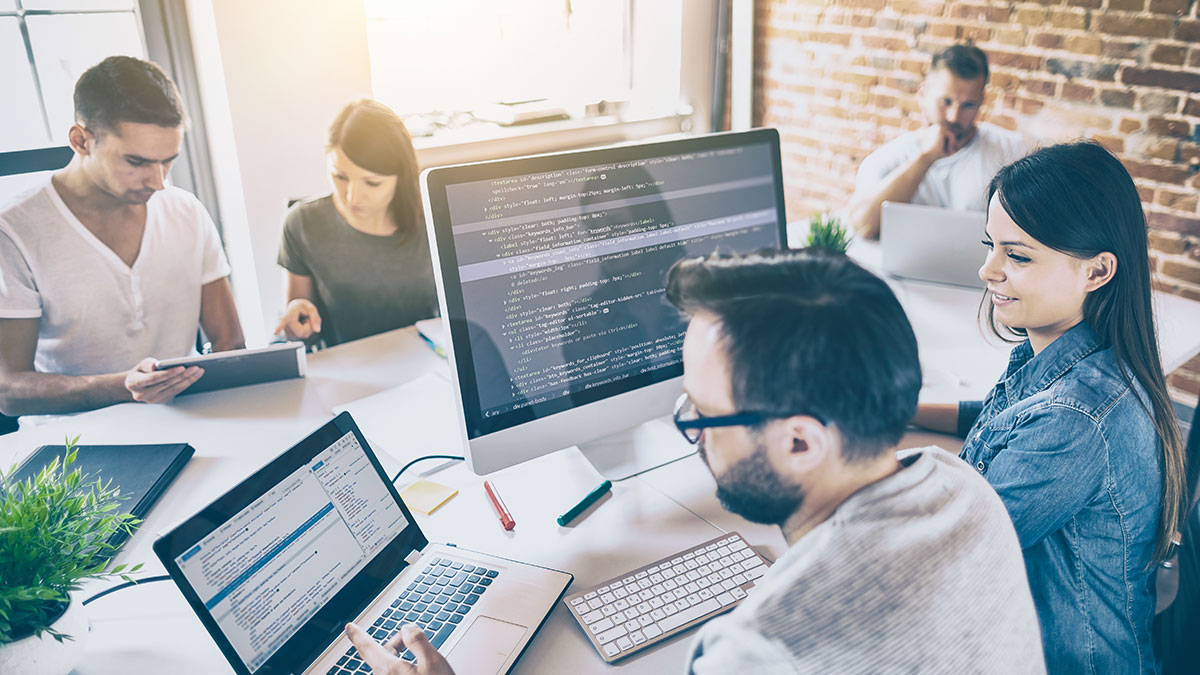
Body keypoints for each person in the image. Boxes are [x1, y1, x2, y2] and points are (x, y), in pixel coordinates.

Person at [342, 249, 1045, 674]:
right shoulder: (966, 491)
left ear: (802, 441)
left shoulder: (758, 650)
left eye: (703, 415)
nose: (692, 434)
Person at [913, 141, 1187, 673]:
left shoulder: (1075, 421)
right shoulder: (1075, 356)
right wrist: (898, 406)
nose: (987, 270)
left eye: (1017, 255)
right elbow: (1003, 419)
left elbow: (942, 556)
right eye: (991, 245)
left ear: (1097, 271)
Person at [0, 56, 243, 419]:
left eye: (168, 161)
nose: (158, 181)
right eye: (137, 162)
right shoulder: (15, 231)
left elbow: (230, 343)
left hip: (188, 423)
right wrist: (123, 387)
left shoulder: (186, 211)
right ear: (81, 140)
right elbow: (9, 391)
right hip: (74, 450)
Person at [274, 99, 438, 348]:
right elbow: (304, 332)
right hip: (348, 372)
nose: (352, 197)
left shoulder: (434, 218)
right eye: (340, 176)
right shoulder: (302, 224)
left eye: (372, 183)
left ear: (401, 177)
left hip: (429, 362)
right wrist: (296, 326)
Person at [847, 43, 1025, 239]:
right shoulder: (886, 158)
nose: (954, 116)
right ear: (923, 94)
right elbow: (862, 226)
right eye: (945, 102)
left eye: (968, 105)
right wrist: (926, 157)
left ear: (981, 100)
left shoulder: (1011, 151)